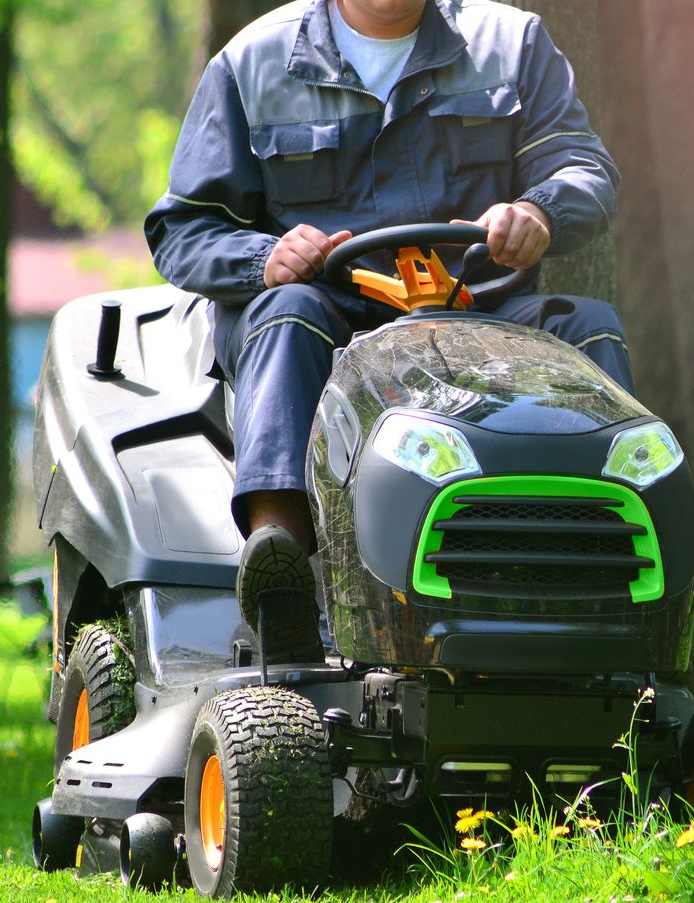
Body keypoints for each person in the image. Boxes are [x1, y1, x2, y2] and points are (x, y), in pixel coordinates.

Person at [145, 0, 629, 663]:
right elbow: (184, 227)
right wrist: (266, 259)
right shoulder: (252, 64)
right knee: (287, 314)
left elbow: (584, 169)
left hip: (481, 320)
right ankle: (279, 561)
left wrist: (539, 210)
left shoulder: (510, 44)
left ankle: (602, 575)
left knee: (588, 329)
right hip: (332, 324)